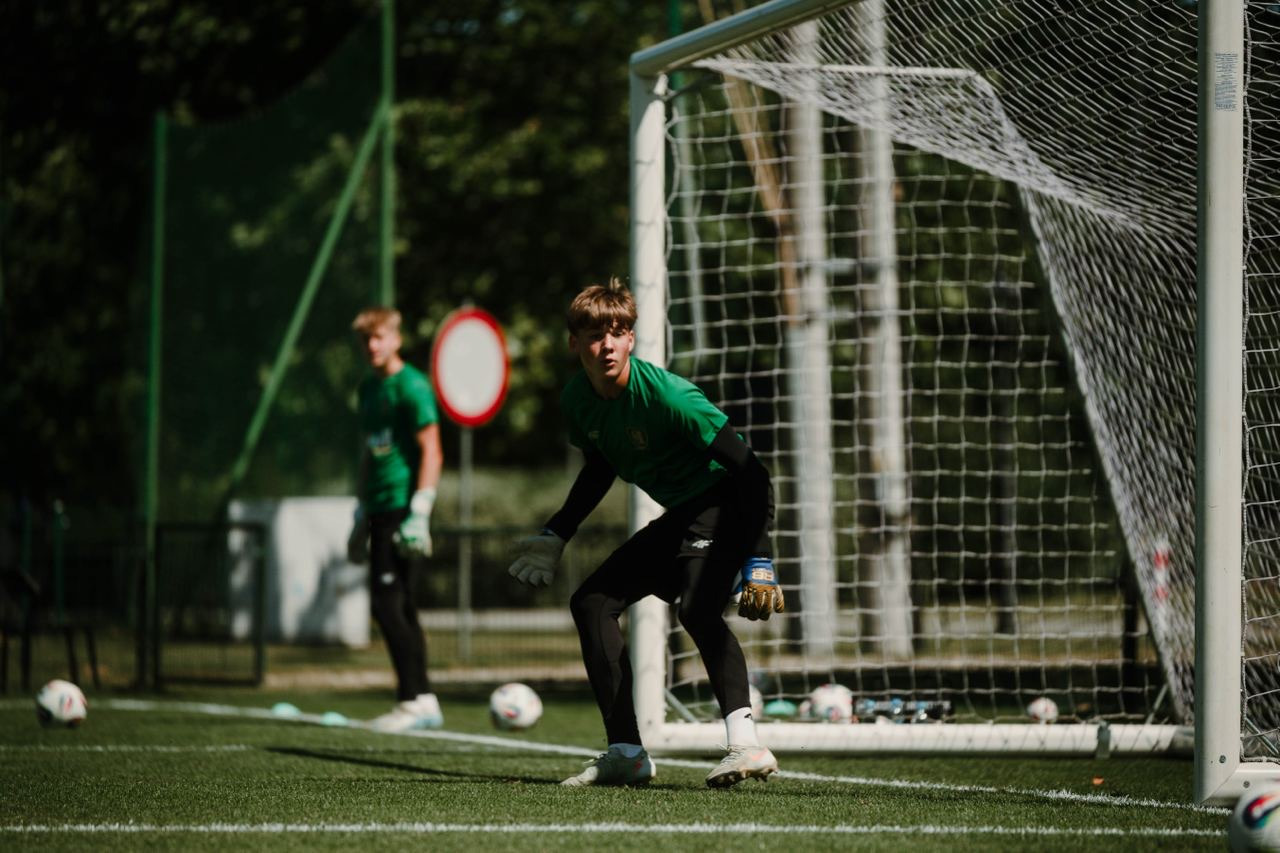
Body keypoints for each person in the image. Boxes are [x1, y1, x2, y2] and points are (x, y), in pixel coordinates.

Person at [508, 279, 784, 788]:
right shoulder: (578, 400)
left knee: (697, 609)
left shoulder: (669, 396)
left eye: (618, 333)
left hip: (728, 503)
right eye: (595, 335)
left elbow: (752, 474)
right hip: (684, 513)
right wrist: (556, 532)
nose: (607, 345)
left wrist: (759, 559)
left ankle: (747, 744)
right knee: (592, 603)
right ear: (574, 343)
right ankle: (627, 753)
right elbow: (600, 467)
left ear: (631, 339)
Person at [347, 306, 445, 732]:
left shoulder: (412, 387)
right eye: (366, 339)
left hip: (403, 509)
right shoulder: (368, 389)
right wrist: (359, 512)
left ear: (396, 339)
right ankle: (423, 700)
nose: (372, 345)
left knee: (387, 603)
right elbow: (369, 453)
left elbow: (432, 450)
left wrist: (420, 511)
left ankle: (412, 699)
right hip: (378, 508)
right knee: (400, 603)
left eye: (379, 336)